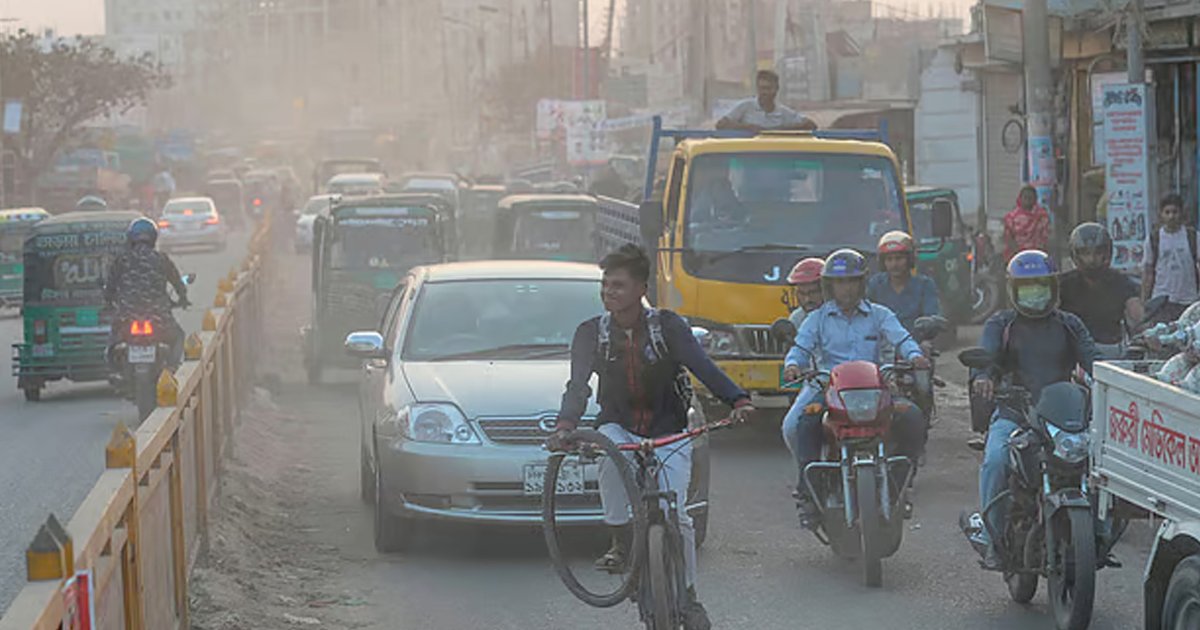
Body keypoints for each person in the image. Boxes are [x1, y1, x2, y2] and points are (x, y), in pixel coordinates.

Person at [549, 244, 754, 630]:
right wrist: (565, 427)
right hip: (617, 426)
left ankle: (689, 597)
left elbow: (702, 367)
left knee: (680, 517)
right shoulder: (590, 333)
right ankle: (620, 540)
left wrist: (737, 400)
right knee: (609, 458)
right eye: (605, 284)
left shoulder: (669, 326)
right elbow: (577, 387)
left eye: (619, 285)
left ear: (642, 287)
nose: (609, 292)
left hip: (669, 429)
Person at [781, 249, 930, 526]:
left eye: (851, 281)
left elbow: (903, 338)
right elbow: (800, 348)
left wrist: (914, 356)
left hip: (874, 388)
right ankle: (809, 495)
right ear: (830, 285)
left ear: (861, 283)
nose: (845, 289)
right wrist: (792, 365)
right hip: (828, 387)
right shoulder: (817, 319)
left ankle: (901, 483)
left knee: (913, 418)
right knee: (803, 424)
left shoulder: (880, 314)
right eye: (839, 282)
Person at [970, 249, 1096, 569]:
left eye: (1040, 285)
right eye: (1027, 286)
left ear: (1053, 288)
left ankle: (1102, 527)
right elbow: (986, 356)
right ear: (1013, 289)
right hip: (1015, 414)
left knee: (1100, 461)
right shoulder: (1002, 323)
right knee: (996, 459)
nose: (1034, 293)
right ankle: (991, 535)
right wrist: (983, 376)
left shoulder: (1070, 324)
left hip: (1063, 418)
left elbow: (1094, 360)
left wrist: (1112, 375)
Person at [105, 218, 190, 370]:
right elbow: (177, 282)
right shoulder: (161, 259)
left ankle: (113, 370)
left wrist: (107, 304)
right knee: (178, 336)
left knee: (112, 340)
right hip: (158, 315)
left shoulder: (121, 259)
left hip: (126, 315)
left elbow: (110, 286)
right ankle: (172, 368)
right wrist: (183, 299)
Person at [1059, 222, 1143, 357]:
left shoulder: (1120, 281)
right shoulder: (1063, 284)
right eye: (1086, 253)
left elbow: (1136, 311)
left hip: (1111, 352)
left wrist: (1149, 331)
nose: (1092, 259)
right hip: (1071, 352)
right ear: (1075, 255)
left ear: (1108, 253)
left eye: (1098, 252)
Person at [866, 230, 941, 333]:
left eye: (899, 258)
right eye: (889, 259)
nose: (894, 264)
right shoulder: (875, 284)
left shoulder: (925, 285)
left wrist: (926, 340)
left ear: (910, 259)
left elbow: (932, 316)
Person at [1143, 193, 1199, 322]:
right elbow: (1148, 272)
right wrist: (1145, 300)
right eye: (1167, 212)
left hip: (1188, 301)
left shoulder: (1193, 237)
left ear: (1181, 213)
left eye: (1175, 212)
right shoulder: (1153, 239)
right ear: (1161, 214)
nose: (1171, 216)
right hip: (1161, 302)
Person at [716, 70, 816, 132]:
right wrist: (747, 127)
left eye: (769, 88)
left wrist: (779, 131)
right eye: (762, 88)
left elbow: (811, 125)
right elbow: (721, 125)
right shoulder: (745, 107)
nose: (765, 92)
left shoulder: (783, 112)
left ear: (777, 89)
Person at [1002, 184, 1051, 263]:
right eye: (1025, 197)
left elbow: (1045, 238)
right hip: (1017, 257)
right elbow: (1008, 238)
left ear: (1035, 199)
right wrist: (1019, 253)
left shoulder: (1042, 216)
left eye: (1030, 198)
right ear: (1020, 198)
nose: (1028, 200)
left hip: (1037, 256)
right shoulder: (1011, 217)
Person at [786, 257, 826, 329]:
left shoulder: (844, 316)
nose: (807, 299)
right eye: (802, 293)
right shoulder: (797, 319)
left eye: (813, 292)